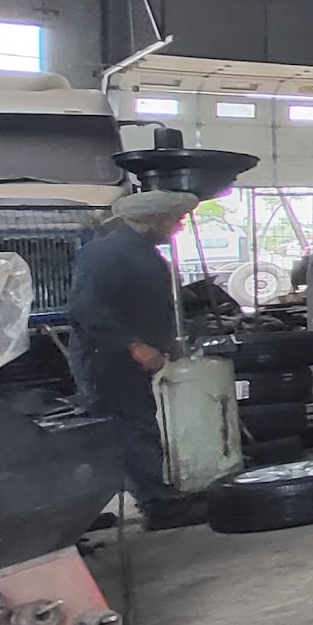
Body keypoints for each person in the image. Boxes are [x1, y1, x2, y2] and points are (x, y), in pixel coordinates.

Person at [69, 189, 205, 530]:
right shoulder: (106, 254)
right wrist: (133, 344)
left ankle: (141, 498)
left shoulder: (139, 252)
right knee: (128, 428)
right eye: (173, 220)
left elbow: (146, 303)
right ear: (151, 221)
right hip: (107, 359)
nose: (177, 227)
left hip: (128, 357)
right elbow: (88, 309)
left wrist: (170, 338)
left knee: (135, 425)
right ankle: (157, 506)